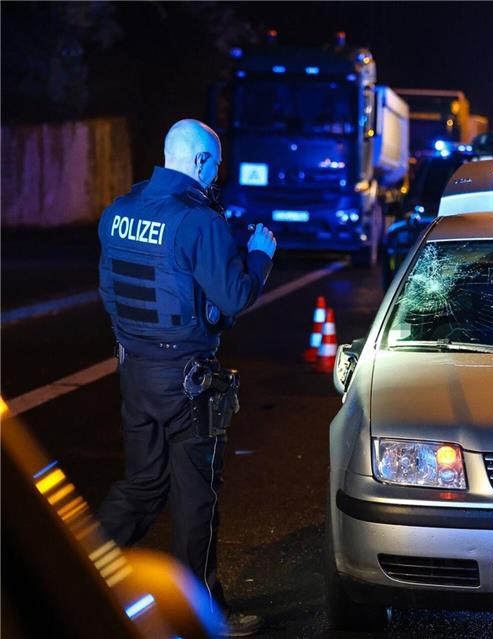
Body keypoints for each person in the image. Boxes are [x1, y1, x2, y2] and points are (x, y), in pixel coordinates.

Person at [96, 119, 276, 637]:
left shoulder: (118, 212)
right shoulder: (198, 222)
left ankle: (78, 570)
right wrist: (260, 256)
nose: (216, 175)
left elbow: (110, 293)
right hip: (186, 380)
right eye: (215, 165)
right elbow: (235, 296)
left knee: (141, 485)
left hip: (135, 372)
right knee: (196, 498)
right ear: (199, 162)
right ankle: (199, 616)